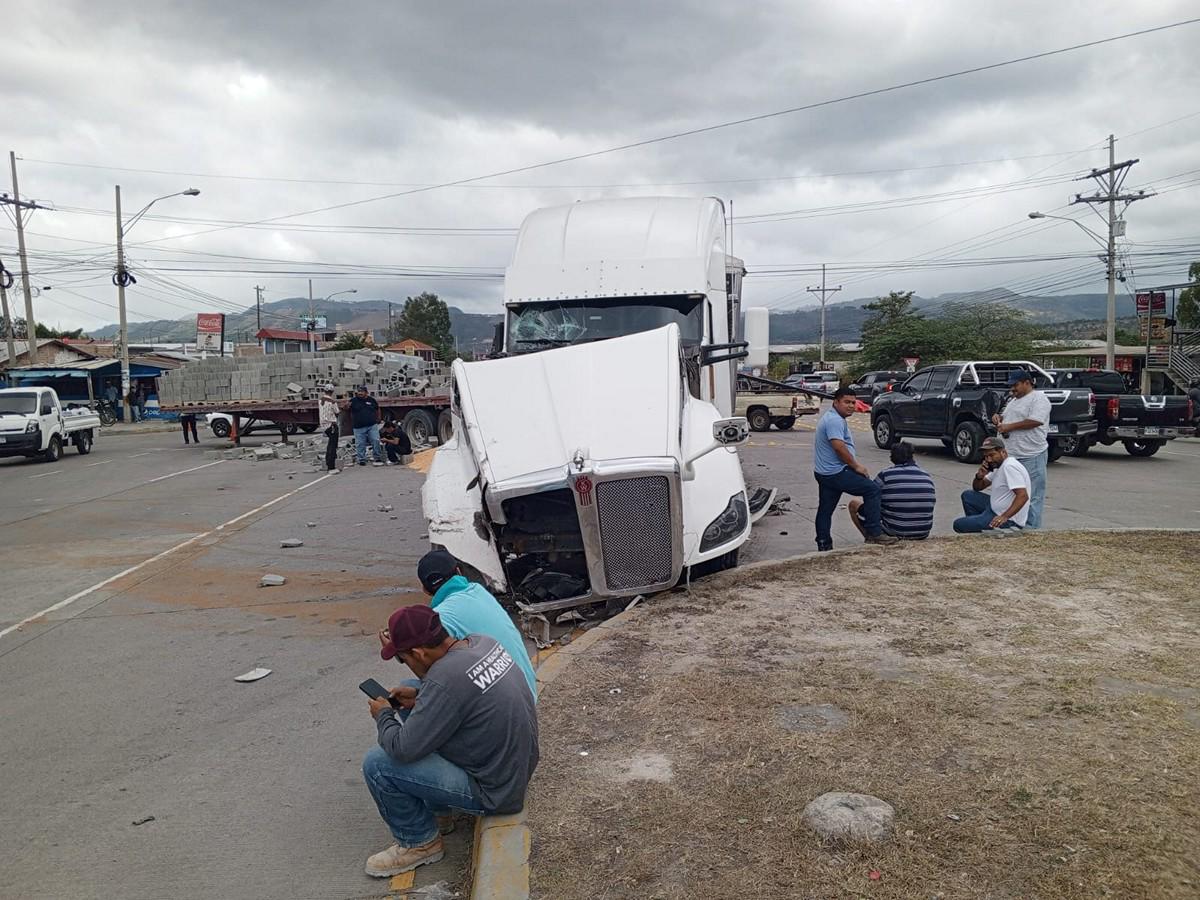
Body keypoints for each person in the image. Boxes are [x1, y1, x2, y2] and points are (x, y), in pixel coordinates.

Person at [362, 605, 538, 877]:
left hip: (495, 792)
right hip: (514, 768)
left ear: (419, 652)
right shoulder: (480, 642)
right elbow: (450, 688)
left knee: (378, 764)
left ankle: (419, 843)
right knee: (414, 687)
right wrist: (420, 697)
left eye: (402, 657)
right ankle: (440, 812)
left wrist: (383, 714)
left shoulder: (446, 679)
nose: (404, 662)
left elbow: (401, 749)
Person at [415, 549, 537, 700]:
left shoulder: (440, 618)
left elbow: (433, 680)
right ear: (459, 572)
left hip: (505, 711)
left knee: (414, 691)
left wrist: (401, 652)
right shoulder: (479, 590)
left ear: (425, 590)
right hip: (528, 693)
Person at [813, 387, 899, 550]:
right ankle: (874, 532)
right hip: (835, 472)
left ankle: (824, 543)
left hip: (824, 472)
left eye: (853, 402)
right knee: (872, 489)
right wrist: (856, 466)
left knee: (825, 509)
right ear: (836, 402)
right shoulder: (834, 420)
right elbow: (838, 447)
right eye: (846, 402)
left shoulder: (833, 418)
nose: (851, 406)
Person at [991, 370, 1050, 529]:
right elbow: (1009, 417)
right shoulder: (1013, 400)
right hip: (1013, 455)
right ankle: (1016, 525)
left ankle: (1031, 529)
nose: (1013, 389)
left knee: (1033, 495)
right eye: (1011, 386)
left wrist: (1010, 426)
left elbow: (1036, 421)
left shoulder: (1039, 399)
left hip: (1031, 454)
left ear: (1027, 383)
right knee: (1015, 494)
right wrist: (999, 418)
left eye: (1015, 385)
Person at [848, 441, 935, 540]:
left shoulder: (885, 475)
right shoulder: (926, 476)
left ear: (892, 458)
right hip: (922, 532)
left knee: (854, 504)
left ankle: (871, 538)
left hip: (896, 531)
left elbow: (871, 500)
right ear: (912, 456)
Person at [952, 436, 1031, 533]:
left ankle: (982, 527)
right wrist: (979, 476)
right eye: (986, 456)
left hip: (1009, 520)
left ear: (1003, 452)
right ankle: (980, 528)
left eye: (992, 455)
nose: (989, 459)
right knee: (968, 495)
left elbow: (1023, 496)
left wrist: (1004, 517)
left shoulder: (1009, 467)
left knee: (958, 524)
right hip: (993, 508)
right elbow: (978, 487)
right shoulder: (998, 466)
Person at [350, 385, 384, 467]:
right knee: (360, 443)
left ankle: (377, 457)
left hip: (371, 425)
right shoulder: (354, 400)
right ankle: (361, 459)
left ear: (366, 392)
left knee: (375, 440)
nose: (360, 393)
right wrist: (346, 406)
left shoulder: (371, 400)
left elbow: (377, 408)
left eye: (362, 391)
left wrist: (379, 417)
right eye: (359, 391)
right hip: (358, 426)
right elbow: (346, 408)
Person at [318, 383, 341, 473]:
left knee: (330, 445)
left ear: (324, 391)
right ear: (332, 392)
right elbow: (337, 412)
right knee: (332, 446)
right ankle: (331, 466)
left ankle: (329, 464)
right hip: (331, 425)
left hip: (323, 425)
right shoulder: (333, 402)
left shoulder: (320, 400)